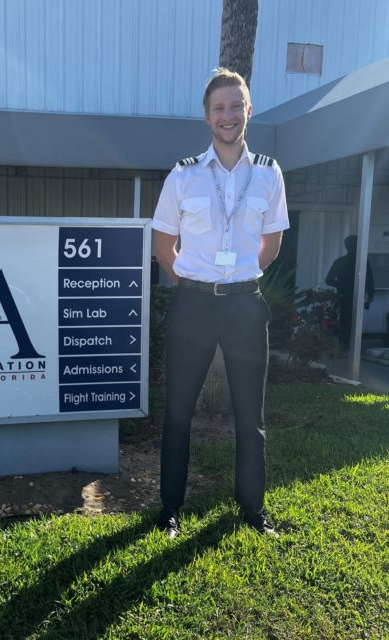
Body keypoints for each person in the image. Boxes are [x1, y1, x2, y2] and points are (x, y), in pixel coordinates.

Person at [152, 68, 289, 538]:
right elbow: (163, 244)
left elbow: (272, 242)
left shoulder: (269, 173)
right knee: (178, 413)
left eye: (235, 106)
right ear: (207, 116)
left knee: (251, 417)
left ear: (248, 110)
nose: (227, 115)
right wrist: (195, 282)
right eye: (218, 108)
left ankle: (253, 509)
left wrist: (238, 277)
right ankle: (170, 509)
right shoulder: (184, 174)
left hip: (245, 307)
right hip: (193, 307)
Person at [326, 235, 374, 353]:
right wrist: (342, 285)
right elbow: (329, 280)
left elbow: (369, 280)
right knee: (346, 323)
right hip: (345, 298)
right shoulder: (342, 262)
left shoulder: (362, 262)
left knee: (352, 323)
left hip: (356, 297)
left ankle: (349, 348)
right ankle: (344, 348)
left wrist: (369, 297)